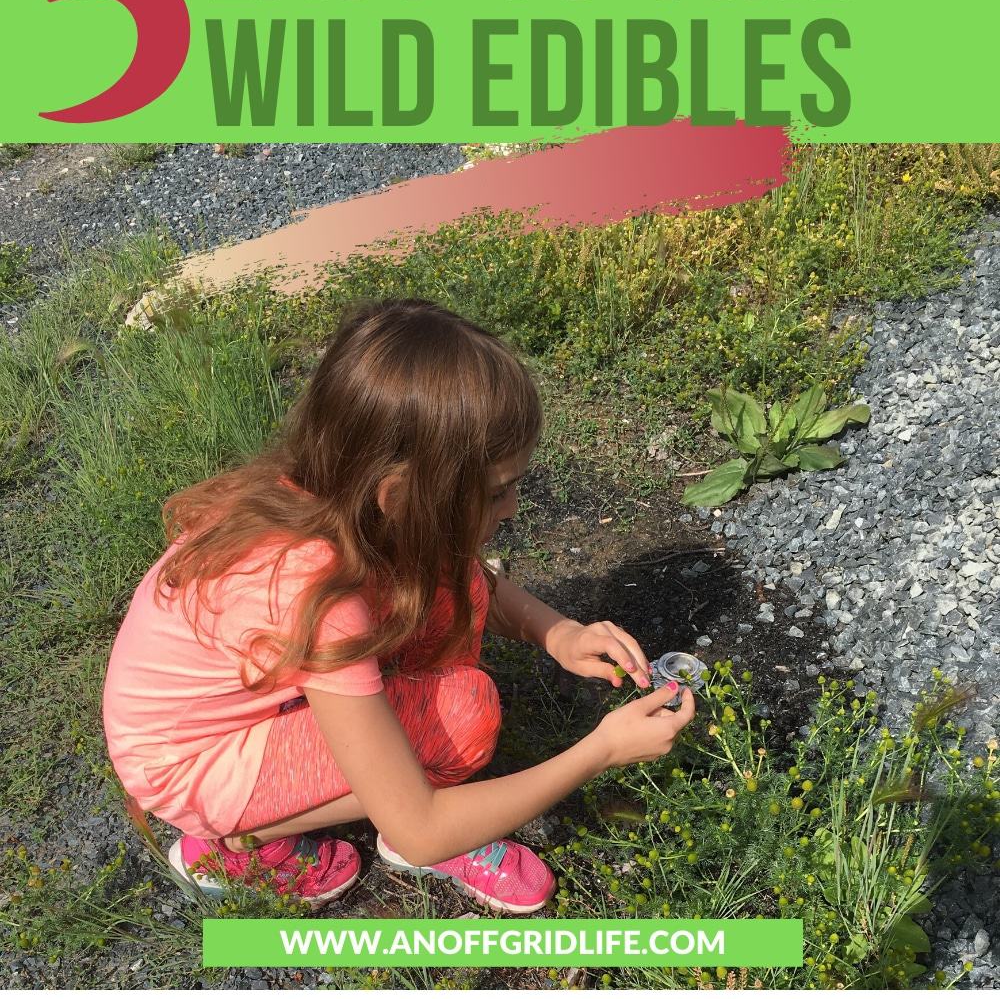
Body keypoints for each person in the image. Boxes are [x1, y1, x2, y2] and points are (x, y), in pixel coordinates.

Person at [102, 299, 695, 913]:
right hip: (192, 763)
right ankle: (234, 843)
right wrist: (600, 750)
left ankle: (368, 778)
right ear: (399, 494)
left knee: (448, 586)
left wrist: (558, 633)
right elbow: (420, 823)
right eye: (497, 492)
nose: (514, 508)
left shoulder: (338, 499)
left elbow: (466, 580)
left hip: (212, 713)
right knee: (462, 722)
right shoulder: (316, 594)